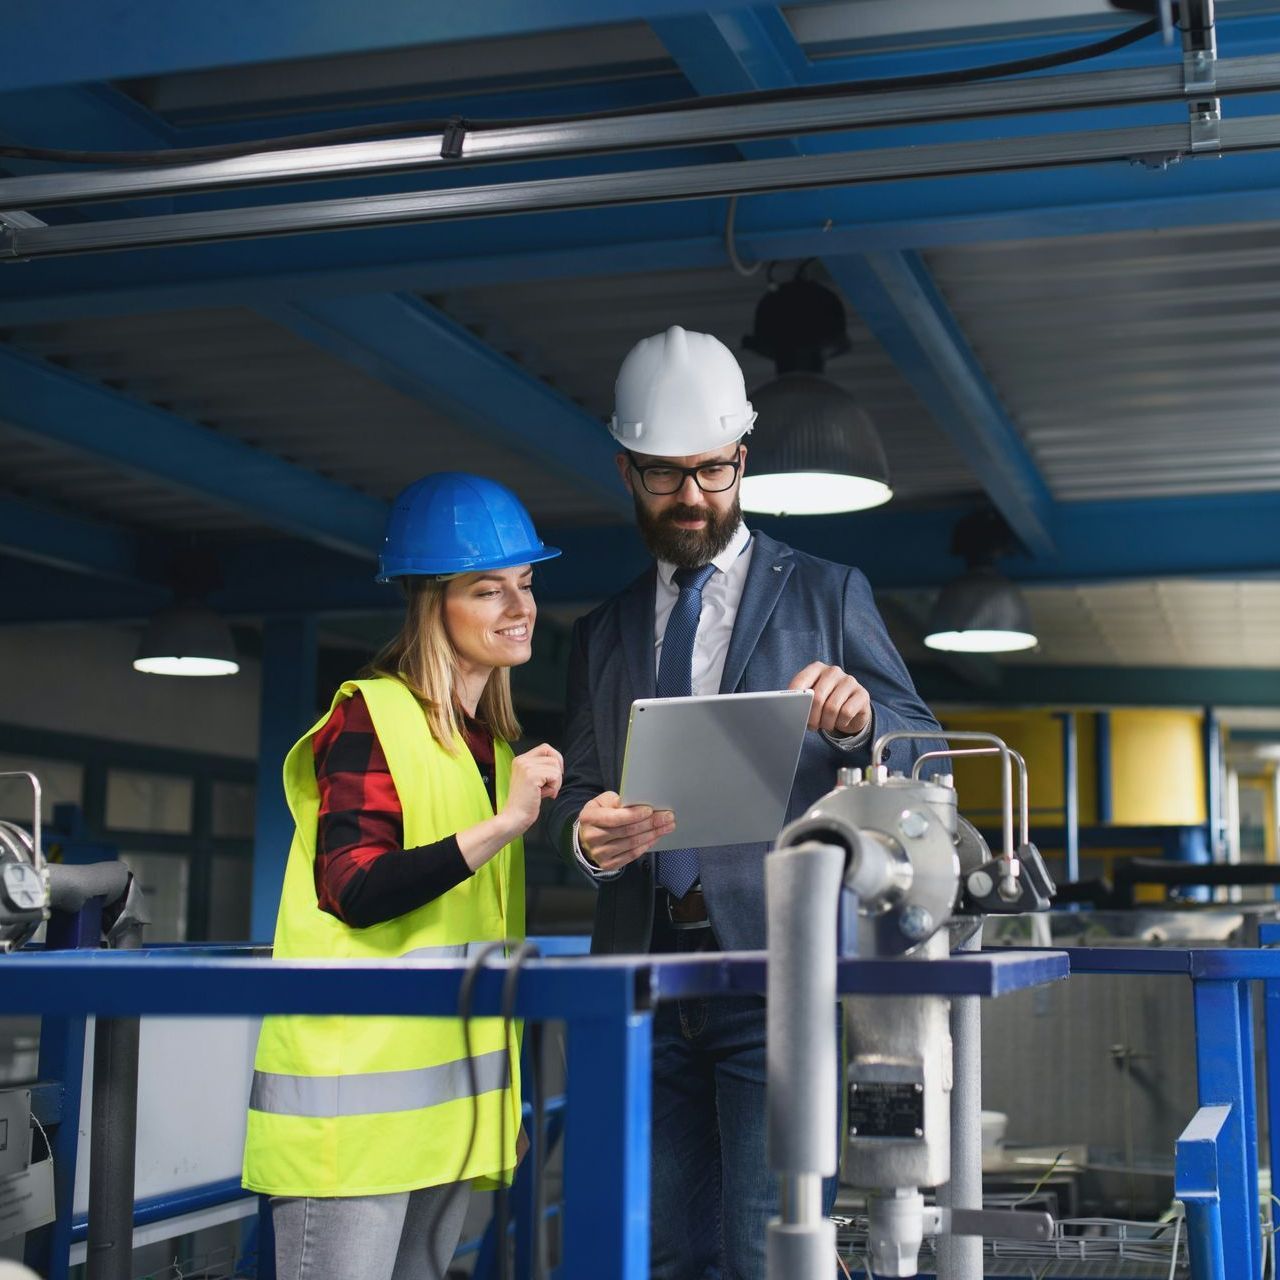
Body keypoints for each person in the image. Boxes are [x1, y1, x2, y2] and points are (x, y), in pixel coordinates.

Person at [548, 326, 945, 1280]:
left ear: (743, 459)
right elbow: (590, 792)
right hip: (643, 979)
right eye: (664, 476)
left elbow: (923, 748)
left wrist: (858, 725)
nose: (693, 497)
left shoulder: (824, 591)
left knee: (771, 1246)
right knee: (663, 1250)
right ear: (625, 470)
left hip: (774, 976)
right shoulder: (599, 634)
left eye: (713, 472)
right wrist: (590, 839)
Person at [243, 472, 564, 1280]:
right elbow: (353, 885)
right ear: (431, 604)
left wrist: (502, 1107)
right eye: (488, 590)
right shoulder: (369, 716)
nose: (519, 607)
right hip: (348, 1122)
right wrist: (504, 825)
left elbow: (478, 940)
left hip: (449, 1116)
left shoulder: (485, 749)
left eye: (524, 584)